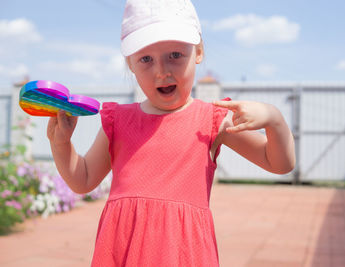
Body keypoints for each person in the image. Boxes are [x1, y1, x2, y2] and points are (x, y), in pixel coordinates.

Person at [47, 0, 296, 266]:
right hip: (122, 254)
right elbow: (82, 180)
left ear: (198, 51)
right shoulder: (118, 121)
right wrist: (60, 143)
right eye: (146, 59)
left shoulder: (212, 120)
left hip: (183, 255)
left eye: (175, 55)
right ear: (130, 63)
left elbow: (279, 164)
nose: (162, 71)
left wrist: (274, 120)